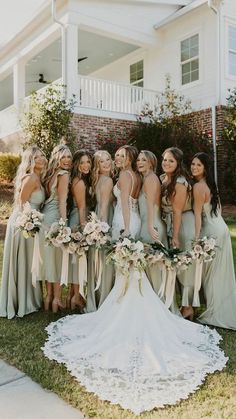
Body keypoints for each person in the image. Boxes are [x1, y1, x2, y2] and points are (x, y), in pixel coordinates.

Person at [43, 146, 227, 415]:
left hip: (129, 224)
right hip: (130, 223)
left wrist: (129, 229)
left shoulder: (134, 177)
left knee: (132, 273)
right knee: (131, 274)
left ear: (140, 161)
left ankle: (135, 307)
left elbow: (144, 205)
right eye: (130, 158)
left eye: (131, 157)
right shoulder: (139, 176)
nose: (125, 160)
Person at [0, 146, 46, 319]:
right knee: (25, 261)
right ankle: (22, 301)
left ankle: (28, 299)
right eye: (37, 157)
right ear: (30, 161)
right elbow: (21, 204)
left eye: (42, 156)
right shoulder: (31, 178)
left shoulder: (37, 177)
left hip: (30, 221)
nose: (41, 159)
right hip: (24, 223)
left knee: (29, 262)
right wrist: (29, 223)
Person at [191, 152, 236, 329]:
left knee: (212, 274)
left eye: (198, 165)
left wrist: (195, 239)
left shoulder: (198, 187)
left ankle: (216, 312)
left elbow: (197, 216)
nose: (194, 167)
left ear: (205, 168)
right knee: (220, 272)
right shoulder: (210, 184)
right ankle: (220, 307)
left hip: (212, 232)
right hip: (221, 228)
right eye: (193, 164)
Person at [161, 147, 197, 320]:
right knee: (175, 263)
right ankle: (178, 301)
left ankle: (188, 306)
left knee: (184, 264)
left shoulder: (180, 182)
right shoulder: (163, 179)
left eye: (171, 161)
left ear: (178, 163)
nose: (166, 163)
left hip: (182, 224)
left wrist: (175, 236)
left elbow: (177, 211)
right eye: (165, 159)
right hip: (171, 223)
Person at [42, 144, 72, 313]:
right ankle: (57, 300)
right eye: (64, 157)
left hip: (44, 219)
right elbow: (61, 202)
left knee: (49, 262)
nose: (67, 160)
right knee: (58, 261)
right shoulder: (63, 175)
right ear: (57, 158)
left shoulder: (49, 174)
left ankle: (48, 298)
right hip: (54, 220)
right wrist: (63, 225)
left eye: (69, 157)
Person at [137, 150, 169, 294]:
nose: (139, 163)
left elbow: (150, 205)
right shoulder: (146, 178)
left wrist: (149, 226)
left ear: (151, 162)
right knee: (149, 267)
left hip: (152, 225)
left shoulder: (150, 178)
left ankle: (159, 303)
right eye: (138, 160)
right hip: (148, 223)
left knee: (154, 267)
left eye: (143, 160)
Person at [86, 150, 114, 312]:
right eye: (102, 162)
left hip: (97, 217)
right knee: (104, 259)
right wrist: (101, 229)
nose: (107, 163)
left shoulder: (97, 180)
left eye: (108, 159)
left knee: (98, 259)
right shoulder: (108, 180)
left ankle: (95, 298)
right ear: (97, 165)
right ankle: (104, 298)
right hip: (104, 219)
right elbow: (104, 207)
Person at [68, 149, 93, 311]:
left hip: (76, 217)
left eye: (88, 162)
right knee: (78, 260)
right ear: (77, 164)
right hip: (78, 220)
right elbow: (82, 206)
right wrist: (84, 227)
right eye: (82, 162)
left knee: (76, 260)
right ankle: (76, 297)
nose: (86, 165)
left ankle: (73, 295)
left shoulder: (79, 180)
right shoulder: (80, 182)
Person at [112, 145, 142, 240]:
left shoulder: (124, 174)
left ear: (130, 160)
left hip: (124, 220)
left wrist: (127, 228)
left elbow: (125, 203)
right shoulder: (136, 175)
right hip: (135, 218)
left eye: (122, 156)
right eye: (117, 155)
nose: (118, 158)